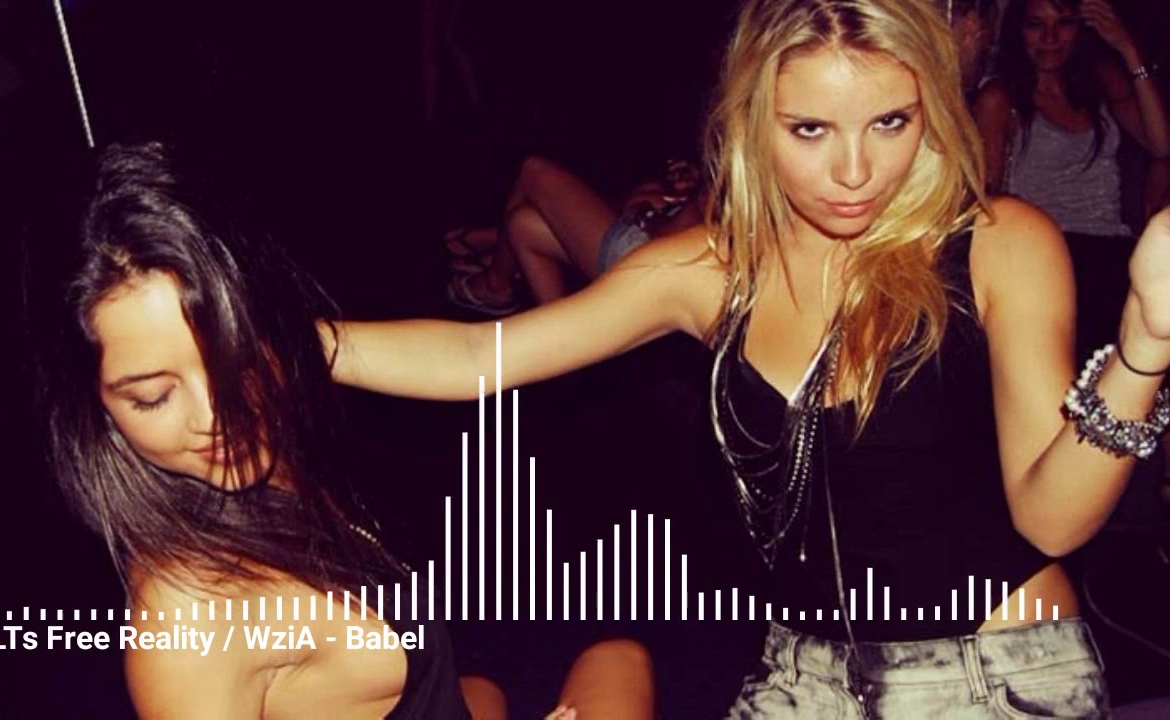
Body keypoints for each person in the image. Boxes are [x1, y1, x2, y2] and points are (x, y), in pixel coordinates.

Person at [325, 0, 1170, 716]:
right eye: (810, 129)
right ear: (753, 120)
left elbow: (1052, 521)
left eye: (890, 122)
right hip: (802, 672)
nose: (855, 170)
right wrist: (290, 340)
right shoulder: (710, 269)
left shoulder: (998, 242)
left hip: (991, 671)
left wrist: (1141, 348)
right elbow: (478, 354)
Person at [41, 142, 654, 719]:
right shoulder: (188, 621)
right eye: (154, 396)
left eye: (235, 360)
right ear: (95, 408)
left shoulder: (266, 398)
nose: (218, 419)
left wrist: (676, 289)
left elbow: (470, 357)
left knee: (601, 663)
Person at [973, 0, 1169, 360]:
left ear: (1082, 29)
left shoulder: (1098, 79)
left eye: (1063, 23)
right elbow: (988, 199)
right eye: (1036, 25)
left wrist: (1128, 48)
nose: (1050, 38)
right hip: (1046, 253)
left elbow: (1161, 144)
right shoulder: (1000, 97)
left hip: (1112, 249)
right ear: (1018, 31)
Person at [445, 156, 703, 313]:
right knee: (523, 223)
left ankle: (497, 283)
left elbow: (671, 233)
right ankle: (564, 343)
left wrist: (645, 214)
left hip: (652, 266)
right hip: (671, 261)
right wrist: (697, 183)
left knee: (533, 171)